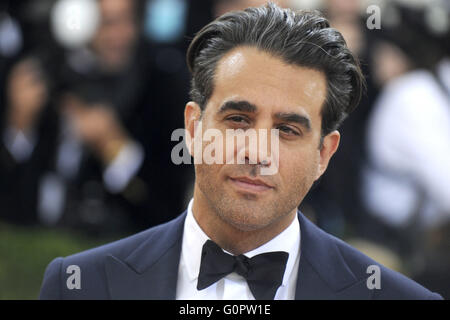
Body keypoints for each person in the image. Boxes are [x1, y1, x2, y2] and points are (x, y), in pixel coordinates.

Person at [39, 3, 442, 300]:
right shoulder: (79, 285)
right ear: (194, 128)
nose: (257, 152)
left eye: (286, 130)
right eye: (238, 120)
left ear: (324, 154)